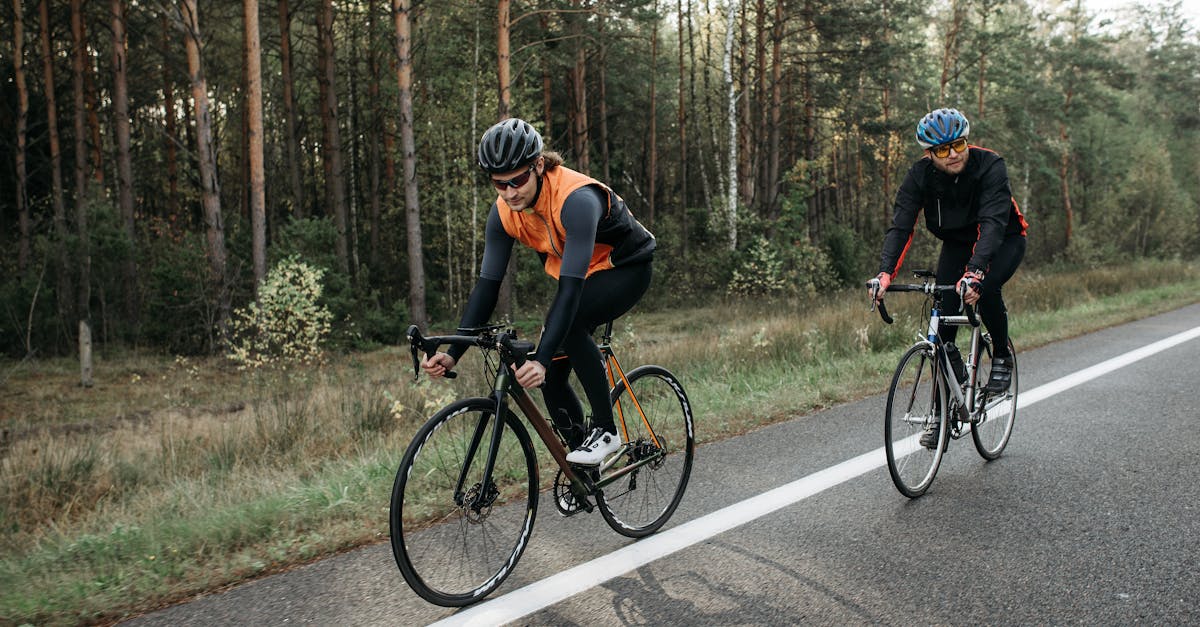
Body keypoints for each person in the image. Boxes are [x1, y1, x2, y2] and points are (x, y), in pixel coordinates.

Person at [421, 118, 656, 466]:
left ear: (539, 165)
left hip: (626, 269)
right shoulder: (504, 213)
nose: (510, 192)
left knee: (565, 330)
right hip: (584, 278)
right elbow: (488, 286)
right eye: (500, 184)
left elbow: (571, 289)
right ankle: (584, 469)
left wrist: (542, 357)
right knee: (550, 377)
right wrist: (455, 351)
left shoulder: (575, 199)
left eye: (518, 180)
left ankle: (606, 432)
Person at [868, 108, 1028, 443]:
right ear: (929, 154)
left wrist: (977, 272)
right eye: (942, 150)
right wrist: (884, 274)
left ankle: (1000, 355)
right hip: (957, 244)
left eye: (958, 144)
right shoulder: (919, 177)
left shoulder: (990, 165)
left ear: (966, 141)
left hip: (1003, 239)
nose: (953, 154)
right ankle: (941, 414)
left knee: (986, 289)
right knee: (944, 325)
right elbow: (901, 227)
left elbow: (994, 223)